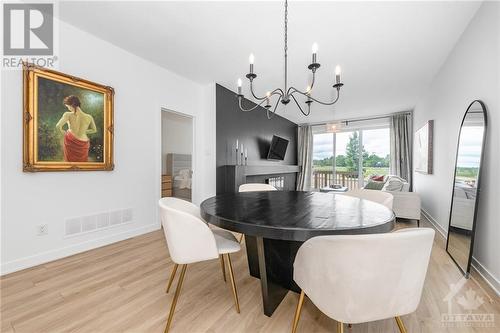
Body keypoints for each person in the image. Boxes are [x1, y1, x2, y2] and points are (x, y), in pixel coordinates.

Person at [55, 95, 97, 162]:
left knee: (70, 164)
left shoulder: (67, 114)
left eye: (68, 106)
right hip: (84, 143)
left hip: (71, 142)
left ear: (72, 105)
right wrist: (83, 131)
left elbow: (58, 126)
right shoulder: (89, 117)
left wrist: (62, 131)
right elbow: (94, 130)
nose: (68, 109)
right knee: (82, 165)